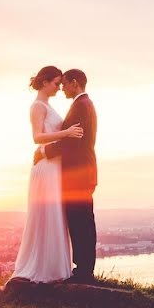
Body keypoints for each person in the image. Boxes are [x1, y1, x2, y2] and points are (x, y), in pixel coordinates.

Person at [9, 66, 84, 283]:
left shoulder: (48, 106)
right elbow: (37, 137)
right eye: (56, 84)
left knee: (56, 214)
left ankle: (56, 269)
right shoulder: (37, 107)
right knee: (48, 214)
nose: (59, 88)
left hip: (54, 165)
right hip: (46, 167)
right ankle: (43, 269)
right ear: (44, 83)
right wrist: (67, 133)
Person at [34, 68, 98, 283]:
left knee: (80, 222)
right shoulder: (83, 104)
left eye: (65, 84)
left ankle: (83, 271)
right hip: (81, 172)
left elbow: (73, 141)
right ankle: (84, 269)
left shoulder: (81, 106)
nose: (62, 89)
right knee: (83, 221)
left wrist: (45, 151)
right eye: (58, 84)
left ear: (75, 83)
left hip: (77, 174)